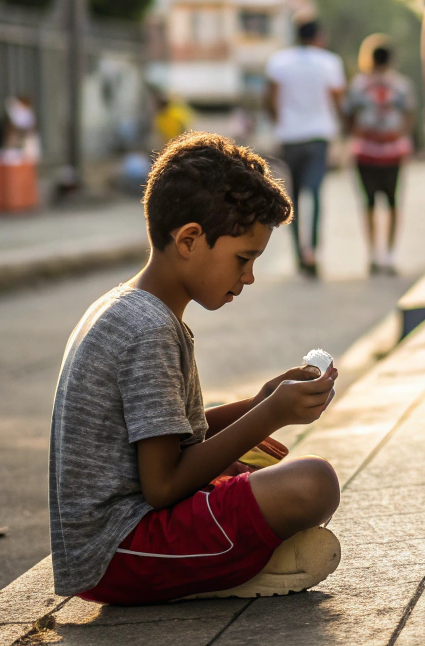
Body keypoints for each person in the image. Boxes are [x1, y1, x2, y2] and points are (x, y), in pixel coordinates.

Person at [48, 132, 342, 604]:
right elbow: (163, 486)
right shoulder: (148, 329)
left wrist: (261, 402)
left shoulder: (134, 307)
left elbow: (180, 437)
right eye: (243, 259)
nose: (248, 278)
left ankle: (236, 559)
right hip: (121, 553)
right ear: (189, 240)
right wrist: (269, 414)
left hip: (121, 543)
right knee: (313, 483)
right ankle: (229, 571)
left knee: (264, 456)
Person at [265, 19, 346, 277]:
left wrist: (280, 123)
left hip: (290, 137)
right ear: (318, 36)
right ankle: (312, 250)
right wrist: (342, 130)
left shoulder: (279, 62)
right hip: (318, 136)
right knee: (316, 194)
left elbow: (270, 98)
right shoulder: (329, 62)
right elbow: (337, 100)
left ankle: (299, 254)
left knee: (293, 198)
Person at [344, 34, 416, 276]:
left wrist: (354, 134)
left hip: (365, 149)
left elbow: (348, 115)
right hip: (393, 149)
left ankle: (374, 254)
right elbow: (410, 115)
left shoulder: (359, 85)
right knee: (393, 202)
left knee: (369, 203)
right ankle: (390, 254)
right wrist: (401, 135)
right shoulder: (401, 85)